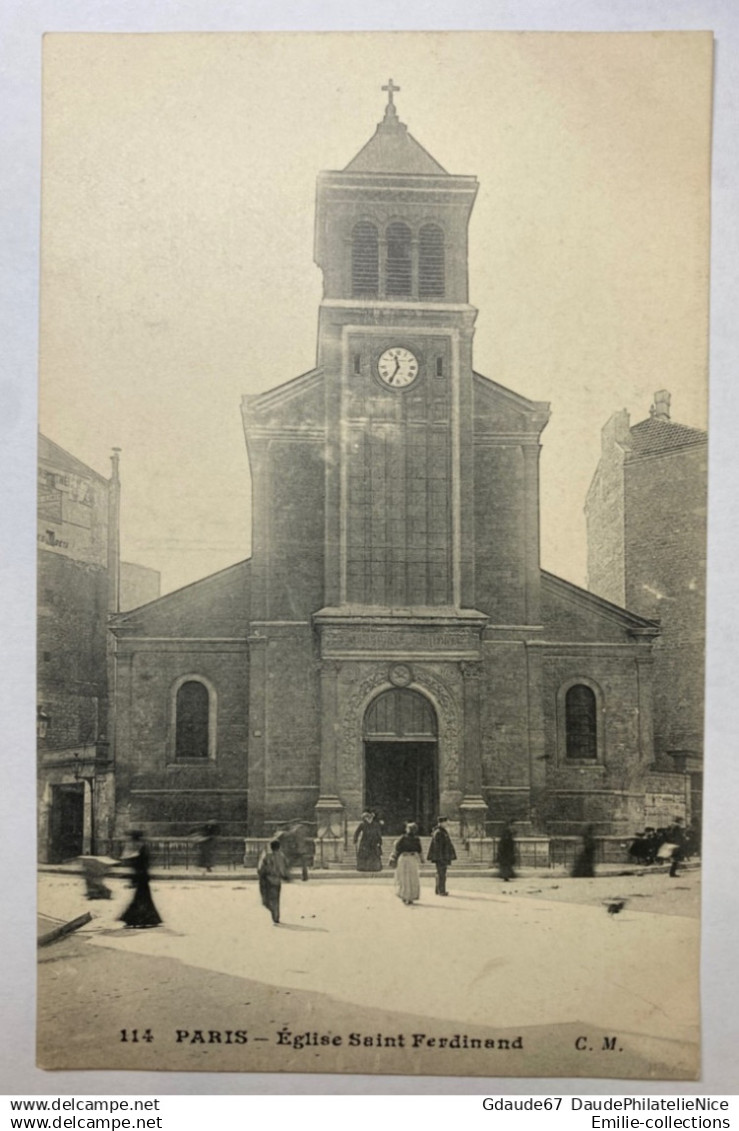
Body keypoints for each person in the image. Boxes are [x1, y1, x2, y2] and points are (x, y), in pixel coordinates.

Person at [118, 830, 162, 929]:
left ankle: (137, 919)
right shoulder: (141, 847)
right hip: (142, 877)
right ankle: (146, 919)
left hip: (141, 877)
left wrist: (134, 878)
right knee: (143, 899)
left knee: (140, 899)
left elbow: (139, 864)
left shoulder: (139, 848)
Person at [257, 838, 291, 924]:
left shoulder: (266, 856)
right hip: (277, 880)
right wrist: (285, 876)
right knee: (276, 899)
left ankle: (273, 911)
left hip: (267, 880)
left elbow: (260, 868)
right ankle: (276, 915)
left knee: (265, 900)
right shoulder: (282, 856)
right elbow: (286, 867)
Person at [389, 822, 423, 905]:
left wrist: (393, 857)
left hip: (403, 858)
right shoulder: (417, 839)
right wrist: (422, 859)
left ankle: (404, 895)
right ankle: (411, 897)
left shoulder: (402, 838)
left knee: (404, 878)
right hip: (412, 859)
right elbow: (419, 850)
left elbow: (397, 849)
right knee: (412, 878)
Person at [427, 816, 456, 896]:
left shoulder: (441, 831)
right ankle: (441, 890)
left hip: (442, 856)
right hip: (441, 857)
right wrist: (441, 857)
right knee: (441, 874)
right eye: (446, 822)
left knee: (440, 873)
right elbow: (438, 847)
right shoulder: (439, 832)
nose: (447, 823)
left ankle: (438, 889)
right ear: (441, 823)